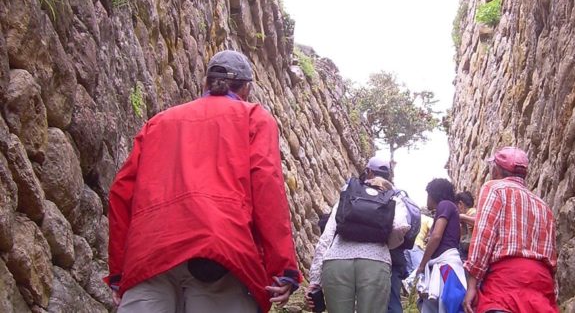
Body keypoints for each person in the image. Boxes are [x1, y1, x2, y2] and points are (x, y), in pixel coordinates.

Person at [106, 50, 301, 313]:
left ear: (205, 83)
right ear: (245, 88)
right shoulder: (253, 118)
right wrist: (283, 267)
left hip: (149, 254)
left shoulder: (158, 123)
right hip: (220, 252)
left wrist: (119, 272)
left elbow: (121, 192)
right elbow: (267, 187)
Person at [307, 157, 410, 313]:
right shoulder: (393, 198)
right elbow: (400, 227)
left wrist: (315, 280)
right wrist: (383, 242)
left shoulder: (349, 194)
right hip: (375, 262)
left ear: (367, 172)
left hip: (337, 261)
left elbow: (327, 237)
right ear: (388, 176)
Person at [463, 147, 558, 313]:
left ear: (496, 169)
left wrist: (471, 284)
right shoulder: (544, 207)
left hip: (506, 284)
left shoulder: (494, 188)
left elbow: (483, 237)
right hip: (542, 287)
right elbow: (551, 257)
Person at [416, 178, 466, 313]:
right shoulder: (452, 208)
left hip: (445, 266)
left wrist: (422, 264)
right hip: (447, 263)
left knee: (443, 306)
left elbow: (436, 236)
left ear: (433, 194)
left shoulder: (444, 205)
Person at [455, 191, 477, 260]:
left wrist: (463, 218)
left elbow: (480, 223)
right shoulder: (466, 216)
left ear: (460, 204)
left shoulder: (473, 212)